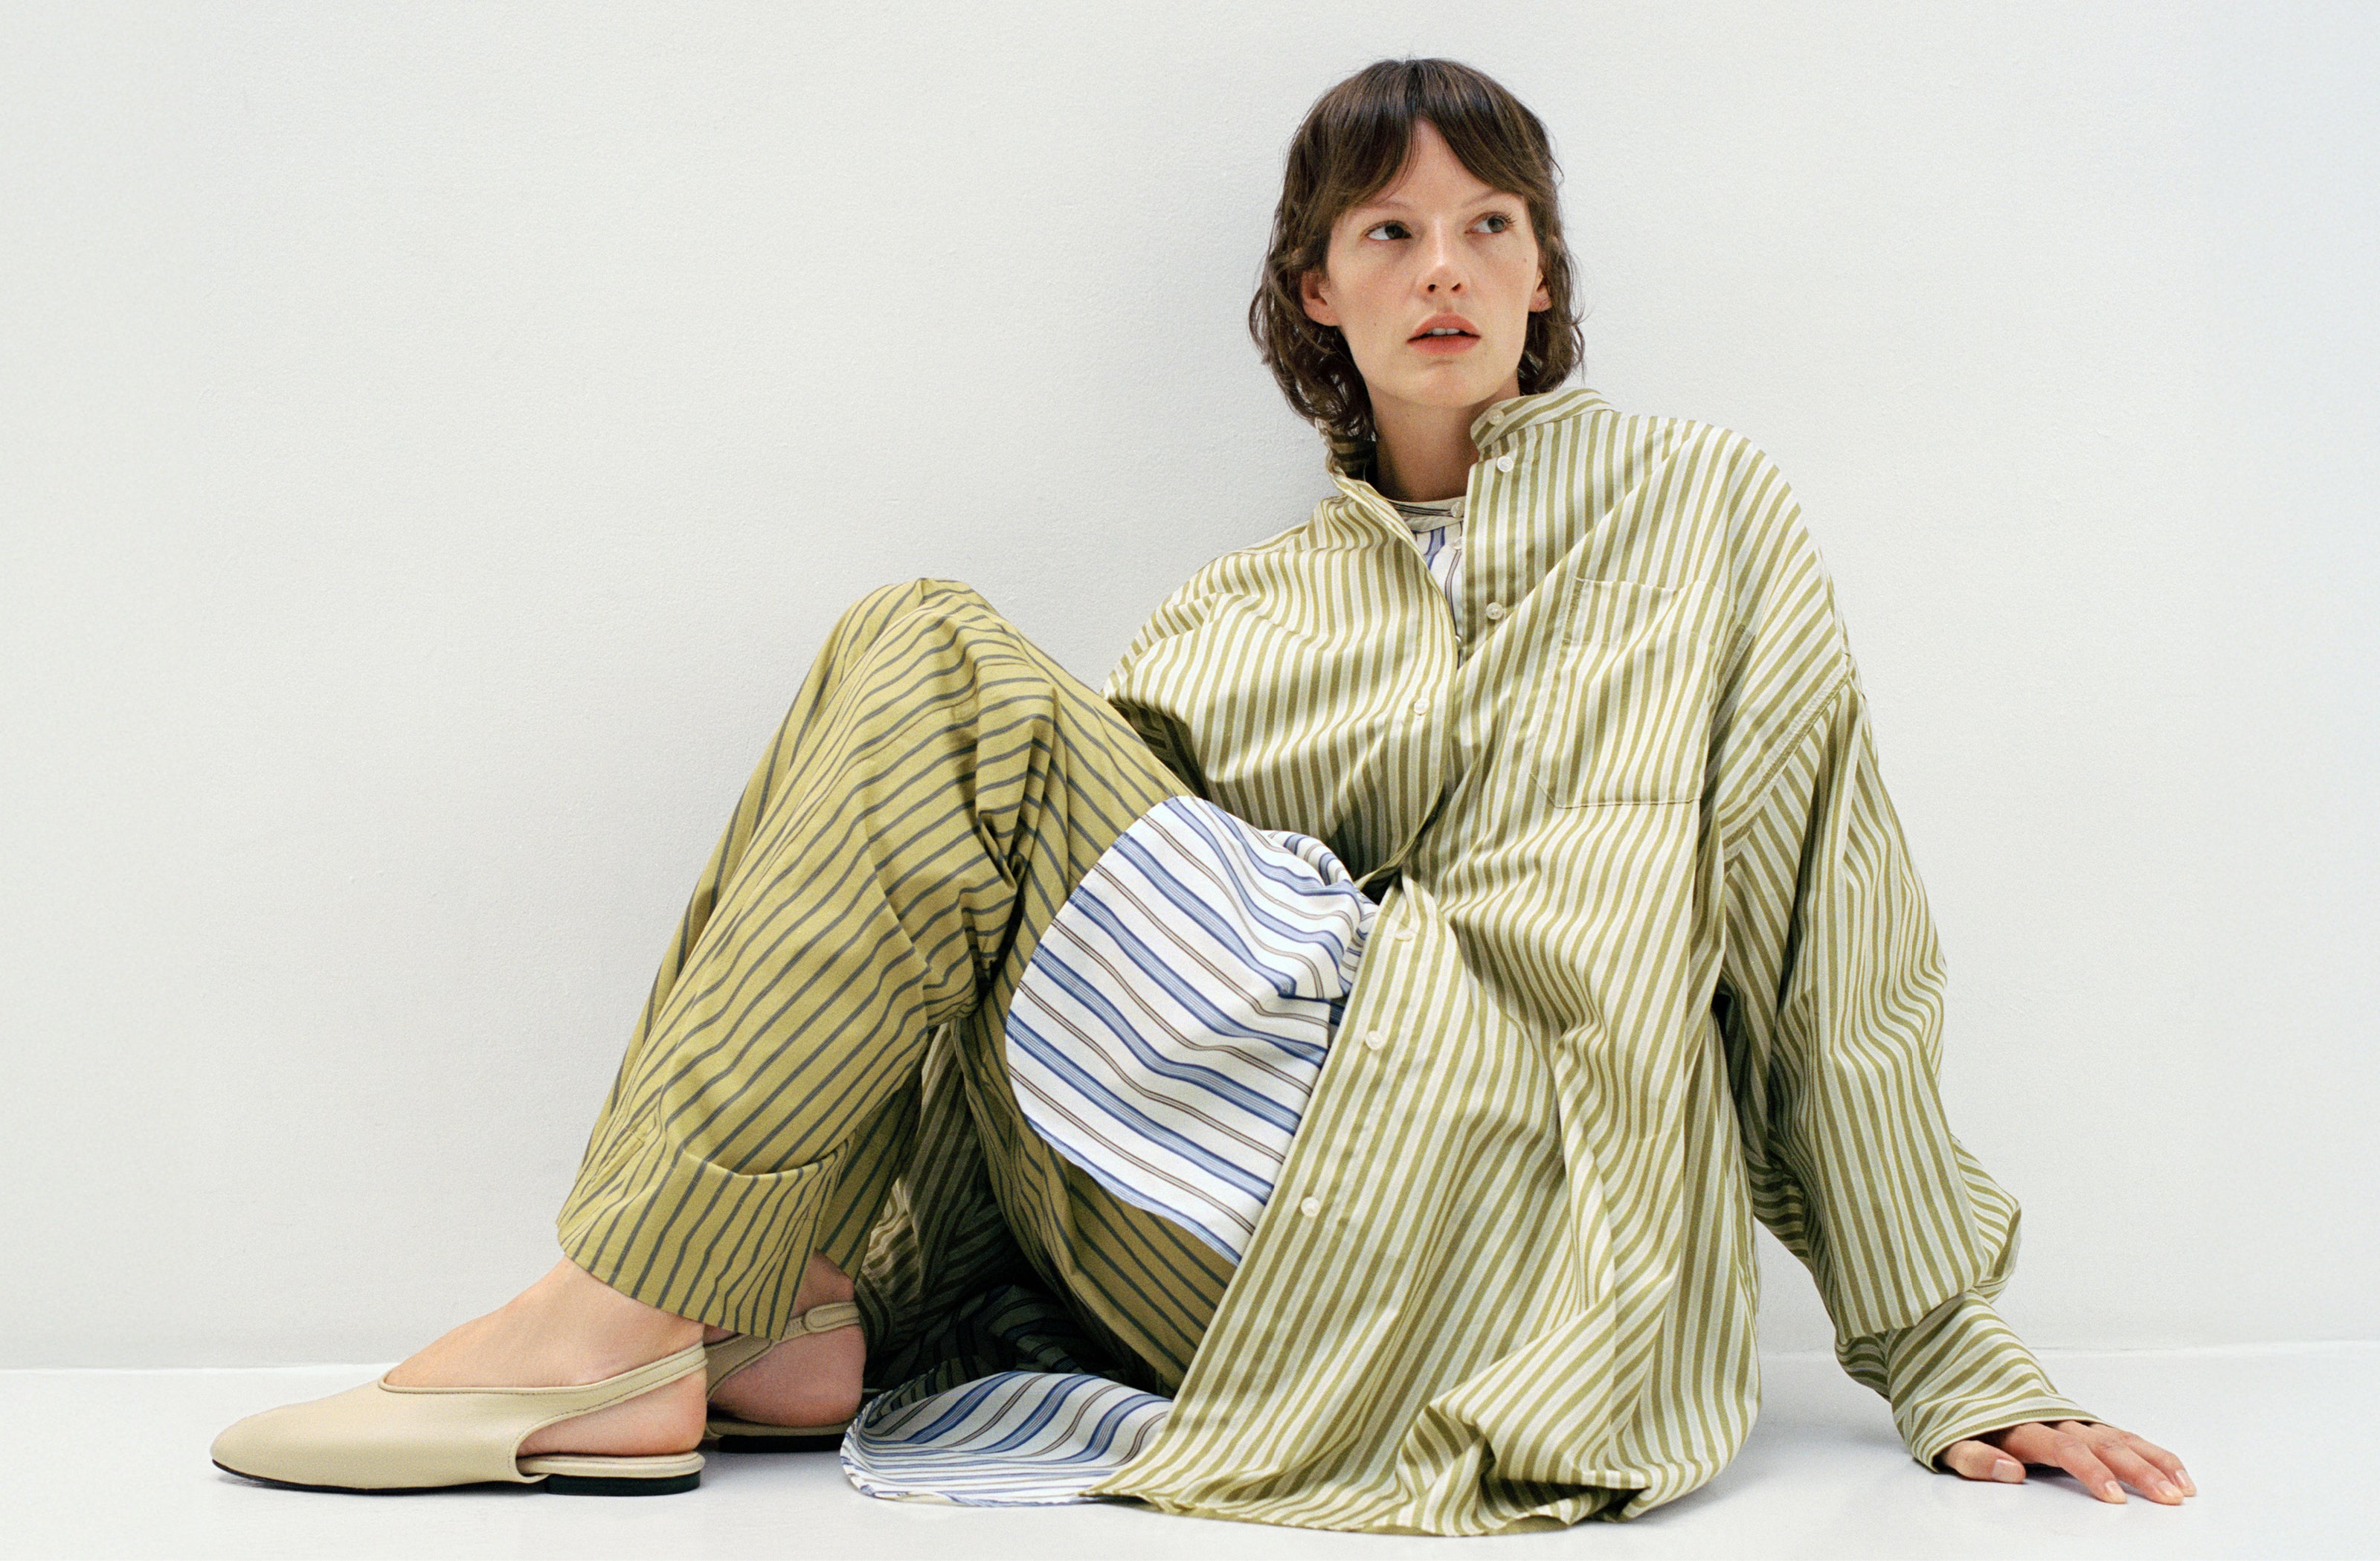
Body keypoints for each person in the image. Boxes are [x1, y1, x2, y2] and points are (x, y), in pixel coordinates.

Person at [209, 57, 2193, 1532]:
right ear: (1315, 290)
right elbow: (985, 965)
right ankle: (773, 1297)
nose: (1445, 266)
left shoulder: (1704, 514)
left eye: (1492, 224)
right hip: (1236, 1242)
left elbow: (1829, 932)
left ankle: (623, 1311)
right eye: (1388, 231)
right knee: (915, 696)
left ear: (1545, 273)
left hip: (1522, 1235)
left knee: (934, 659)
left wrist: (1945, 1346)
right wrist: (888, 1258)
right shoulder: (1236, 616)